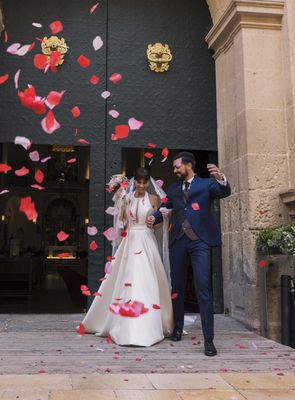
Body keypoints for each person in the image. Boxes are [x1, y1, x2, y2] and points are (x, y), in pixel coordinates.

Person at [148, 152, 231, 356]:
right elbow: (167, 206)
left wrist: (221, 179)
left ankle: (209, 340)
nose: (174, 170)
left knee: (203, 287)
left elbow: (225, 192)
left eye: (177, 166)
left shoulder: (206, 184)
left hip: (200, 242)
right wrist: (154, 217)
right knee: (177, 286)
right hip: (178, 241)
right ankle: (177, 328)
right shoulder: (174, 188)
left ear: (188, 165)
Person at [80, 168, 174, 347]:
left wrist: (158, 220)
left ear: (148, 183)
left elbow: (156, 224)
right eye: (138, 182)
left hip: (147, 240)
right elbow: (122, 222)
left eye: (144, 182)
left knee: (147, 280)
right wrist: (121, 200)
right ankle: (126, 326)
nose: (141, 185)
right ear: (134, 182)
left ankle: (150, 325)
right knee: (128, 279)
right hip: (130, 241)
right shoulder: (128, 197)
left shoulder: (154, 199)